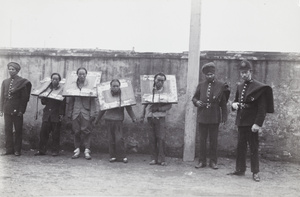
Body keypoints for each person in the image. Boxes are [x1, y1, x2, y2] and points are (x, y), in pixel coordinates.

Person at [228, 60, 274, 182]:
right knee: (240, 147)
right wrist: (234, 105)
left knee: (253, 147)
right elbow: (235, 101)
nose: (244, 75)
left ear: (250, 72)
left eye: (246, 72)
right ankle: (240, 169)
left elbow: (262, 109)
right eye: (242, 73)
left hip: (252, 123)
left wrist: (257, 124)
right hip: (241, 122)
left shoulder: (259, 88)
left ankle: (255, 172)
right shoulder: (239, 86)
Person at [192, 62, 230, 170]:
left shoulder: (220, 86)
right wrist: (197, 102)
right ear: (205, 75)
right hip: (202, 116)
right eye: (207, 75)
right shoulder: (200, 85)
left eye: (211, 74)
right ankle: (201, 161)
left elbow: (223, 103)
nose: (209, 76)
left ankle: (213, 162)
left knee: (213, 140)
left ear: (214, 74)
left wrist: (224, 117)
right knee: (202, 140)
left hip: (214, 117)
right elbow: (194, 98)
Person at [94, 79, 137, 163]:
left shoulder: (123, 96)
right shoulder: (106, 96)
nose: (115, 87)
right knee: (111, 139)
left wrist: (133, 117)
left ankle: (121, 156)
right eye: (113, 86)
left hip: (118, 120)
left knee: (119, 139)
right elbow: (102, 109)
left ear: (119, 87)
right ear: (110, 87)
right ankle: (112, 155)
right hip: (109, 119)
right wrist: (97, 120)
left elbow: (129, 107)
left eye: (117, 86)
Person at [0, 62, 32, 156]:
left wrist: (21, 110)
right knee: (7, 129)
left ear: (17, 71)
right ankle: (9, 149)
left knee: (18, 130)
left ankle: (17, 150)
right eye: (9, 69)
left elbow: (24, 98)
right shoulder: (5, 81)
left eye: (13, 69)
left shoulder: (22, 82)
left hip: (17, 110)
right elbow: (2, 96)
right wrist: (1, 109)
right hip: (7, 109)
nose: (11, 71)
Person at [140, 72, 172, 166]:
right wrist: (142, 115)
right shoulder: (149, 90)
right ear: (154, 80)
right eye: (158, 80)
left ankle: (162, 159)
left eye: (162, 81)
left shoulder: (166, 92)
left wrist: (159, 108)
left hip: (160, 118)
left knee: (161, 138)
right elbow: (144, 104)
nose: (160, 82)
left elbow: (169, 105)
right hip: (150, 117)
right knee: (152, 138)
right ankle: (153, 158)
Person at [67, 67, 98, 160]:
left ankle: (87, 150)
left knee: (86, 131)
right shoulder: (73, 86)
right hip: (76, 112)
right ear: (77, 75)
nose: (82, 76)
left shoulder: (90, 86)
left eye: (83, 74)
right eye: (80, 74)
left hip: (86, 112)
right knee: (76, 131)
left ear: (86, 75)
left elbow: (93, 101)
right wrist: (69, 113)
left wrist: (93, 113)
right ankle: (76, 150)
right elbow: (71, 100)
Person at [34, 73, 66, 156]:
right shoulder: (47, 89)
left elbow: (63, 103)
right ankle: (42, 150)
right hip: (47, 114)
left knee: (55, 134)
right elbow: (44, 103)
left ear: (59, 80)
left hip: (56, 114)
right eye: (53, 79)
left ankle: (55, 151)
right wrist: (42, 97)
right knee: (43, 133)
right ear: (51, 80)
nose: (54, 81)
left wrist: (61, 114)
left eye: (56, 79)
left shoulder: (62, 90)